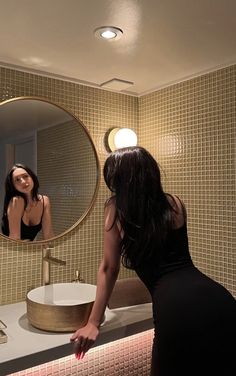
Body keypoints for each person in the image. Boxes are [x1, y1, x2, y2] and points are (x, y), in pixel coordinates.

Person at [70, 146, 235, 375]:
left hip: (175, 308)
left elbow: (109, 268)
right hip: (219, 299)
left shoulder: (116, 208)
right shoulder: (174, 203)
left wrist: (93, 323)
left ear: (119, 179)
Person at [1, 163, 54, 241]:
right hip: (9, 250)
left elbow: (48, 235)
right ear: (13, 186)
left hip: (27, 250)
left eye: (25, 176)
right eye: (17, 180)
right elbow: (15, 239)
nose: (23, 181)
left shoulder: (44, 201)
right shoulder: (16, 201)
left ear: (32, 177)